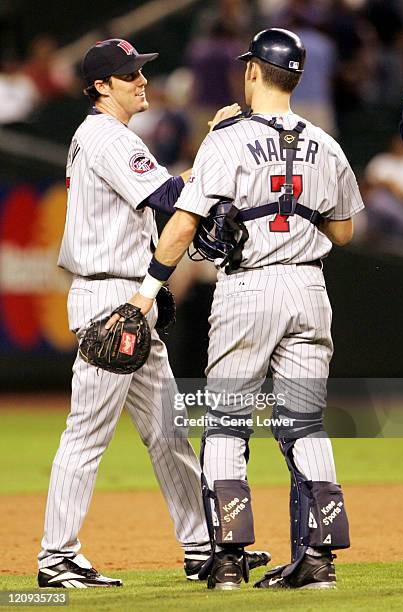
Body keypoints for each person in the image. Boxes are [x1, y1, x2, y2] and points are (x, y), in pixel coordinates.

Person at [111, 28, 365, 590]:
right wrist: (294, 212)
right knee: (305, 427)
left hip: (248, 291)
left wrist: (146, 290)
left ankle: (227, 560)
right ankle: (318, 561)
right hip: (307, 289)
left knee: (226, 426)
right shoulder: (327, 143)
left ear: (252, 72)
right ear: (295, 77)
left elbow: (182, 224)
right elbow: (344, 231)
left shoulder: (226, 138)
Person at [37, 38, 269, 589]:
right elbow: (171, 199)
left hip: (126, 298)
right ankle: (55, 557)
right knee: (87, 432)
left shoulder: (107, 137)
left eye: (141, 70)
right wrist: (216, 141)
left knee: (167, 430)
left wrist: (210, 146)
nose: (141, 81)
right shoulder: (105, 136)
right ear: (100, 86)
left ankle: (199, 548)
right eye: (128, 75)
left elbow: (172, 194)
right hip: (109, 302)